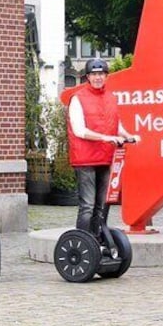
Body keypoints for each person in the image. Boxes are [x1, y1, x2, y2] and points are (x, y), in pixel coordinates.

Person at [67, 58, 138, 234]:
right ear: (88, 77)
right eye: (94, 74)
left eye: (101, 74)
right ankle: (83, 241)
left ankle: (98, 237)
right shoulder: (78, 99)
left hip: (105, 158)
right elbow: (79, 130)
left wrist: (128, 135)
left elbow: (116, 123)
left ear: (106, 76)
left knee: (103, 203)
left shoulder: (110, 98)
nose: (98, 77)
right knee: (88, 205)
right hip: (85, 160)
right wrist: (106, 138)